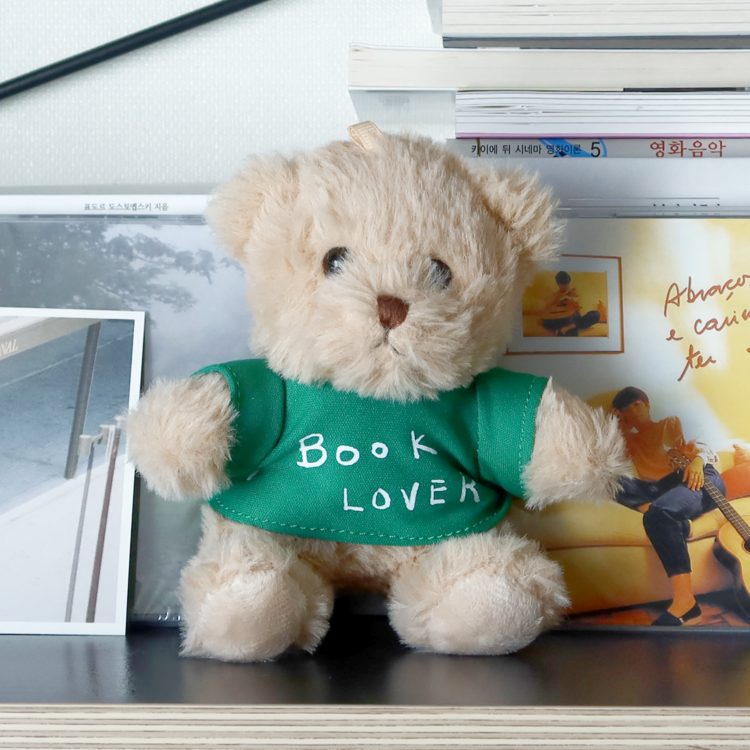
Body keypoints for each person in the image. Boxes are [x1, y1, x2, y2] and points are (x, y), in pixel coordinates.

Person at [612, 386, 726, 626]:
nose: (634, 411)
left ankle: (687, 604)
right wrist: (615, 422)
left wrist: (698, 461)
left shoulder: (669, 423)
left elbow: (702, 444)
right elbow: (604, 455)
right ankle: (674, 520)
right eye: (627, 409)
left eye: (637, 404)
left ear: (647, 405)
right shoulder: (627, 440)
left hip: (696, 476)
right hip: (661, 488)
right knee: (610, 481)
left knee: (657, 515)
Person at [540, 271, 601, 336]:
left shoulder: (574, 292)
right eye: (563, 284)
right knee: (547, 321)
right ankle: (573, 326)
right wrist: (558, 299)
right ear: (558, 284)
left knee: (596, 315)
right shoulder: (554, 295)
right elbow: (547, 309)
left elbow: (579, 306)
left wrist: (570, 298)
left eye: (567, 284)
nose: (565, 286)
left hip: (572, 318)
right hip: (561, 319)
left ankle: (567, 328)